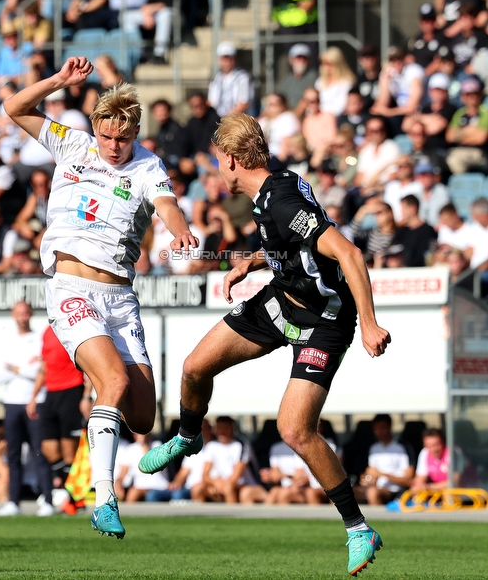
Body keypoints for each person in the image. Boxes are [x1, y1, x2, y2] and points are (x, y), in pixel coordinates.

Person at [138, 113, 391, 576]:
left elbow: (349, 253)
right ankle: (189, 437)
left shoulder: (282, 198)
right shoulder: (271, 190)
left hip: (324, 321)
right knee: (195, 367)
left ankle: (358, 528)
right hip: (281, 301)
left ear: (232, 160)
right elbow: (293, 247)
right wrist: (251, 261)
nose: (216, 169)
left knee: (294, 429)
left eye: (218, 161)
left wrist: (371, 324)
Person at [4, 56, 198, 538]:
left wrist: (180, 230)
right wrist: (58, 82)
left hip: (120, 297)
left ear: (135, 134)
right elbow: (13, 107)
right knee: (111, 383)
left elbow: (167, 205)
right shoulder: (73, 144)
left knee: (141, 414)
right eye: (108, 137)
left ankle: (125, 416)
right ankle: (105, 498)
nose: (115, 147)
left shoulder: (149, 164)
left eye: (124, 138)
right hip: (71, 288)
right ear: (96, 128)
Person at [0, 301, 55, 517]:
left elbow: (41, 370)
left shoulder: (38, 338)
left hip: (35, 401)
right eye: (18, 313)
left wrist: (15, 367)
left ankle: (48, 500)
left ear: (30, 315)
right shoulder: (6, 340)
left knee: (41, 452)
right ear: (13, 315)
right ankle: (14, 501)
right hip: (12, 402)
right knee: (13, 455)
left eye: (25, 313)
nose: (22, 317)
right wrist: (24, 368)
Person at [27, 325, 93, 514]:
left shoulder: (75, 329)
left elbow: (88, 364)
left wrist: (86, 396)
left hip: (72, 392)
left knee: (69, 452)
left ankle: (73, 499)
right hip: (51, 394)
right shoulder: (47, 332)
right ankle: (69, 493)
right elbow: (45, 366)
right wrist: (33, 395)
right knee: (47, 448)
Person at [356, 414, 413, 506]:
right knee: (343, 493)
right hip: (375, 487)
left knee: (372, 493)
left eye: (382, 428)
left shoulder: (402, 447)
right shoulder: (374, 448)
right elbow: (372, 473)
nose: (379, 432)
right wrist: (366, 479)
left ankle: (377, 519)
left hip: (394, 489)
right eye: (376, 429)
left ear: (389, 427)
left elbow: (408, 480)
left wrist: (382, 474)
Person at [410, 428, 477, 493]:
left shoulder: (453, 452)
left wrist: (428, 487)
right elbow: (420, 479)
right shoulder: (424, 453)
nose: (434, 449)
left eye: (436, 444)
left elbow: (455, 482)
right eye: (429, 446)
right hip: (441, 492)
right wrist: (418, 487)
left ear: (443, 442)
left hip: (469, 493)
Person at [208, 42, 253, 117]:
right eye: (223, 59)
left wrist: (226, 119)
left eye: (229, 59)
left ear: (234, 59)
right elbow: (211, 102)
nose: (226, 62)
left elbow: (243, 104)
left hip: (237, 120)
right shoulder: (217, 78)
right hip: (219, 120)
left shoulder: (242, 78)